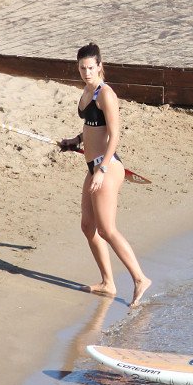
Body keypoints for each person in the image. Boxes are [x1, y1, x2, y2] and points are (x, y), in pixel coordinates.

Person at [60, 43, 151, 308]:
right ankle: (108, 283)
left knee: (107, 229)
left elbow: (114, 136)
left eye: (91, 67)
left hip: (107, 167)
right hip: (93, 165)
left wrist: (101, 170)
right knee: (88, 227)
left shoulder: (105, 94)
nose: (87, 72)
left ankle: (140, 278)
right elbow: (91, 127)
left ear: (100, 66)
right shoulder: (87, 92)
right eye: (82, 68)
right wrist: (74, 140)